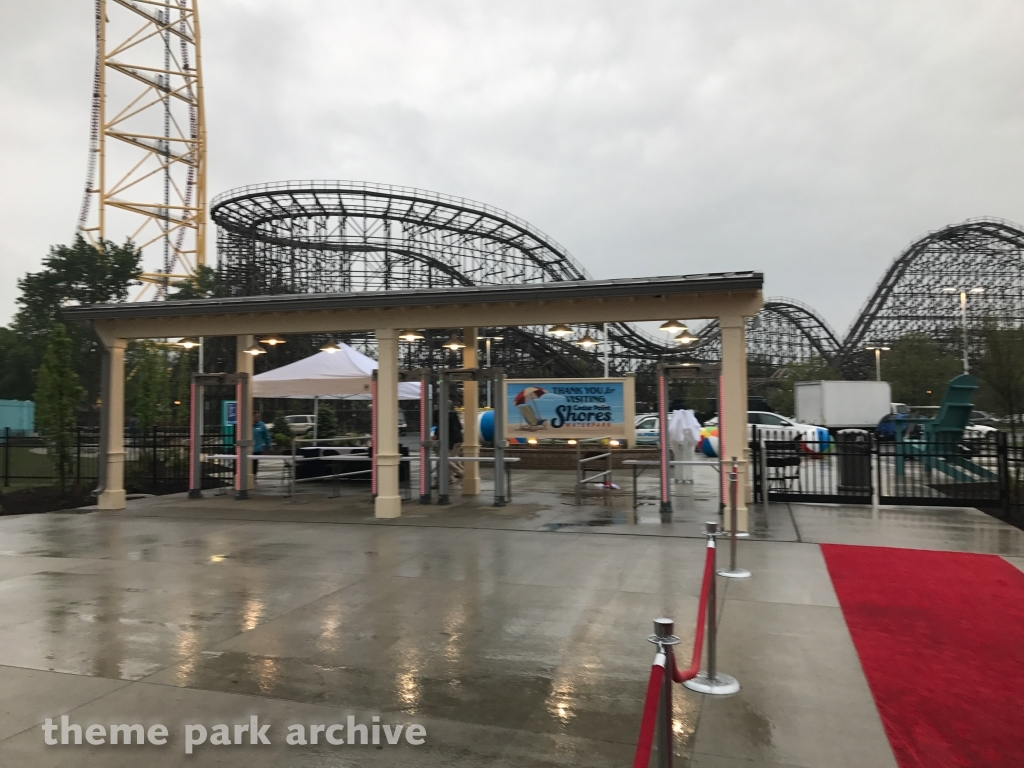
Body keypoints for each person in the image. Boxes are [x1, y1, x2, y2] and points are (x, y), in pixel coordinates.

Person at [253, 411, 271, 480]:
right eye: (255, 417)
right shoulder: (248, 425)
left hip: (257, 448)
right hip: (249, 448)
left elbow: (266, 436)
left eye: (258, 417)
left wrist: (268, 445)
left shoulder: (261, 425)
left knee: (254, 463)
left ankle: (254, 476)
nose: (257, 418)